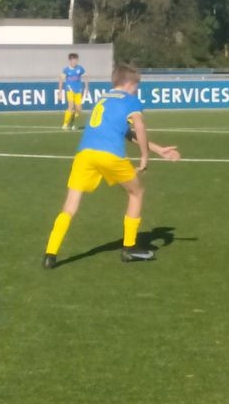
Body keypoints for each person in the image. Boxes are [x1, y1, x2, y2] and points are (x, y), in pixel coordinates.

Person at [43, 64, 181, 269]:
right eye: (137, 86)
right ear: (129, 84)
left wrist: (158, 149)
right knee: (136, 193)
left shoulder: (103, 99)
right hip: (110, 155)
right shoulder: (130, 100)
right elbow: (139, 125)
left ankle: (50, 253)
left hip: (84, 155)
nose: (137, 90)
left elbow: (125, 132)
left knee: (70, 206)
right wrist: (144, 156)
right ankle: (129, 248)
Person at [58, 52, 89, 130]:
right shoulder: (66, 70)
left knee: (79, 109)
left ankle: (73, 123)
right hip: (70, 90)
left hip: (78, 91)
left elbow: (86, 76)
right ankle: (65, 124)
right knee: (71, 106)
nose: (74, 62)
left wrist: (86, 87)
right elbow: (61, 79)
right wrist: (60, 92)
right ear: (70, 60)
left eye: (76, 60)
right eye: (73, 60)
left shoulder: (80, 68)